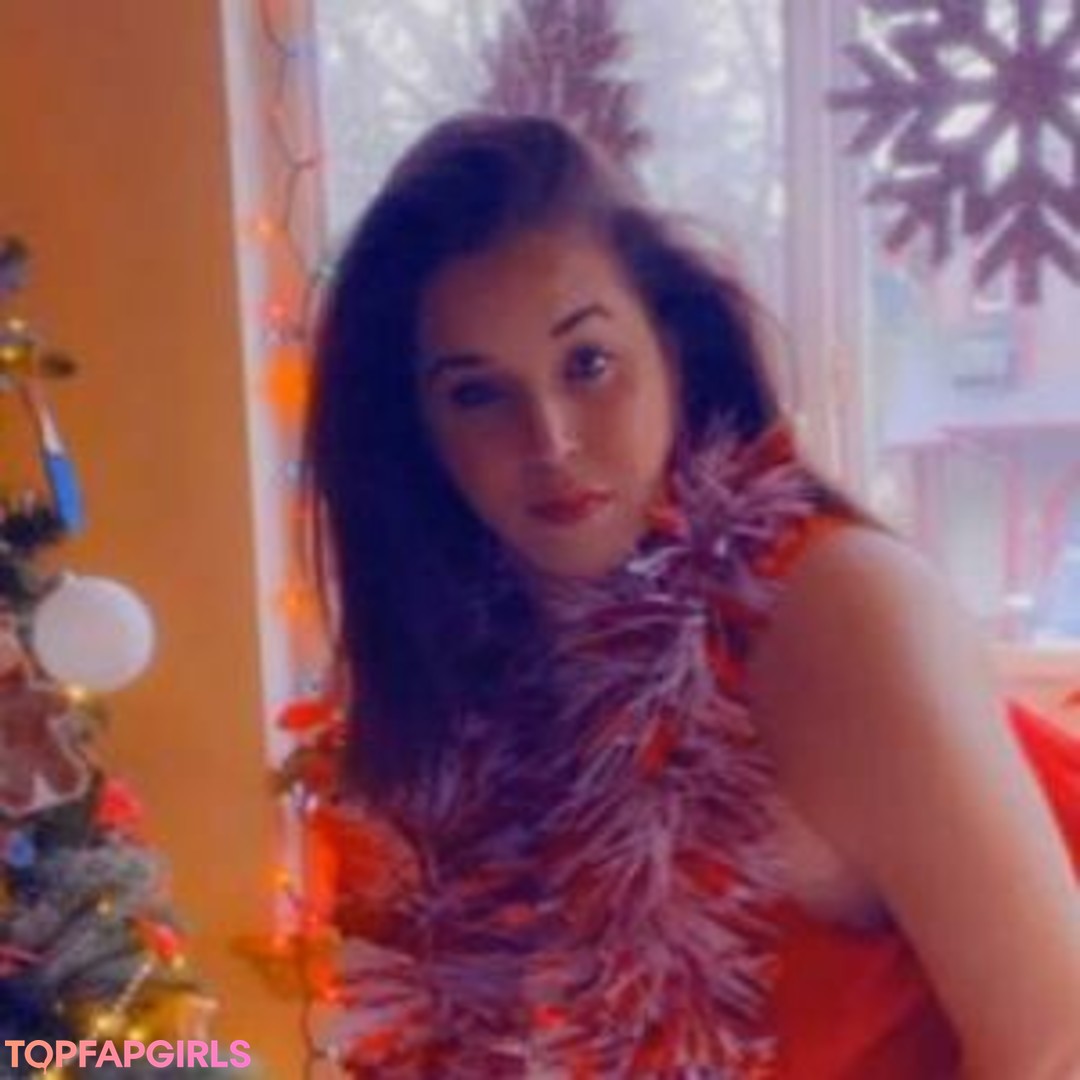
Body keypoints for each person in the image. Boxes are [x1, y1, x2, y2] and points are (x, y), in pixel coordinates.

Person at [301, 113, 1080, 1078]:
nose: (550, 440)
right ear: (415, 430)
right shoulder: (466, 688)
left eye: (589, 364)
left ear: (672, 347)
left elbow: (1053, 1043)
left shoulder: (838, 611)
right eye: (477, 394)